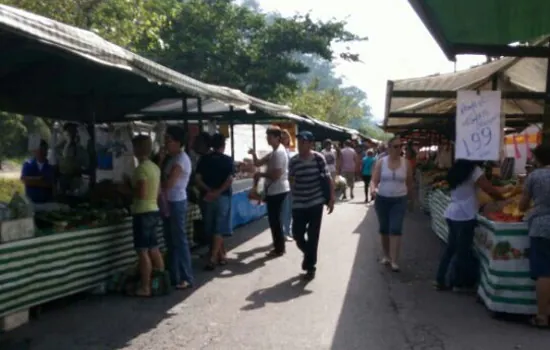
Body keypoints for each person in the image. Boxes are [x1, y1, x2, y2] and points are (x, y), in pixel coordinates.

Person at [434, 159, 505, 291]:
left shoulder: (456, 169)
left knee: (451, 248)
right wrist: (501, 198)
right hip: (465, 215)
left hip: (452, 212)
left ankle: (441, 279)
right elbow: (488, 188)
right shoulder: (474, 170)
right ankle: (458, 282)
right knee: (463, 250)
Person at [289, 131, 335, 280]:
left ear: (310, 143)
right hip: (299, 204)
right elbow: (291, 179)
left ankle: (310, 267)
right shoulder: (293, 161)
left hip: (315, 202)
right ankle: (309, 255)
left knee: (313, 236)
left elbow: (328, 178)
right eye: (299, 142)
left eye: (303, 142)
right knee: (297, 234)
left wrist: (331, 198)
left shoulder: (318, 158)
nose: (300, 145)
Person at [518, 144, 550, 328]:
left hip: (542, 227)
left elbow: (522, 205)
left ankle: (542, 316)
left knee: (544, 272)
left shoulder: (535, 176)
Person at [128, 135, 164, 297]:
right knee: (154, 248)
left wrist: (126, 189)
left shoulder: (141, 169)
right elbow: (158, 192)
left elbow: (141, 193)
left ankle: (145, 287)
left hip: (142, 212)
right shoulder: (155, 168)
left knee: (142, 251)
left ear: (137, 149)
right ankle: (161, 281)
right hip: (153, 209)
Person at [370, 136, 413, 272]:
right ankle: (386, 256)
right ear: (388, 148)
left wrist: (411, 199)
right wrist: (373, 190)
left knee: (395, 229)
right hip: (382, 199)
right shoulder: (381, 162)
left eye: (401, 146)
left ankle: (394, 260)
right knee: (384, 229)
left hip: (399, 200)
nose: (399, 149)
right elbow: (374, 180)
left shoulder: (406, 164)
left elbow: (410, 183)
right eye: (396, 146)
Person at [195, 133, 234, 270]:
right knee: (219, 228)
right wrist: (218, 191)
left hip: (206, 197)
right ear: (223, 146)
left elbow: (198, 179)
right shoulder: (228, 160)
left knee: (211, 227)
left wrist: (209, 190)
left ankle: (221, 255)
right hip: (223, 197)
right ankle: (213, 257)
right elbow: (229, 179)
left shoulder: (204, 160)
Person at [249, 127, 290, 257]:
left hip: (278, 189)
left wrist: (260, 174)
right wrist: (253, 154)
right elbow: (258, 162)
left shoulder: (279, 153)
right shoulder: (273, 152)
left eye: (270, 136)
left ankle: (279, 248)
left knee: (275, 220)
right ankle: (278, 246)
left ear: (277, 138)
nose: (268, 139)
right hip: (274, 189)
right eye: (267, 136)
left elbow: (276, 175)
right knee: (274, 219)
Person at [162, 126, 194, 290]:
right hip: (169, 201)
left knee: (179, 240)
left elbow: (169, 183)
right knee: (171, 240)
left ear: (177, 142)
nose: (166, 144)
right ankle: (174, 275)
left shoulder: (181, 159)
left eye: (169, 140)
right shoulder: (172, 158)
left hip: (176, 202)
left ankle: (186, 276)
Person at [281, 130, 296, 242]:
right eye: (282, 137)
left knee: (289, 208)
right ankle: (284, 232)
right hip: (282, 184)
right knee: (284, 209)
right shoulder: (279, 151)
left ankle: (287, 230)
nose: (284, 138)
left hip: (290, 183)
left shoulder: (290, 151)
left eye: (286, 137)